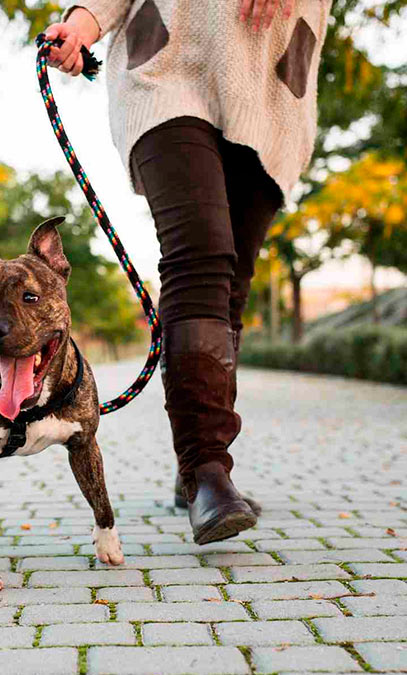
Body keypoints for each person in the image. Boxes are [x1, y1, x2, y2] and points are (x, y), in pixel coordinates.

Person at [43, 0, 330, 544]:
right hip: (170, 63)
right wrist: (82, 24)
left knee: (231, 287)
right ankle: (206, 471)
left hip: (272, 82)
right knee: (199, 255)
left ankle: (193, 467)